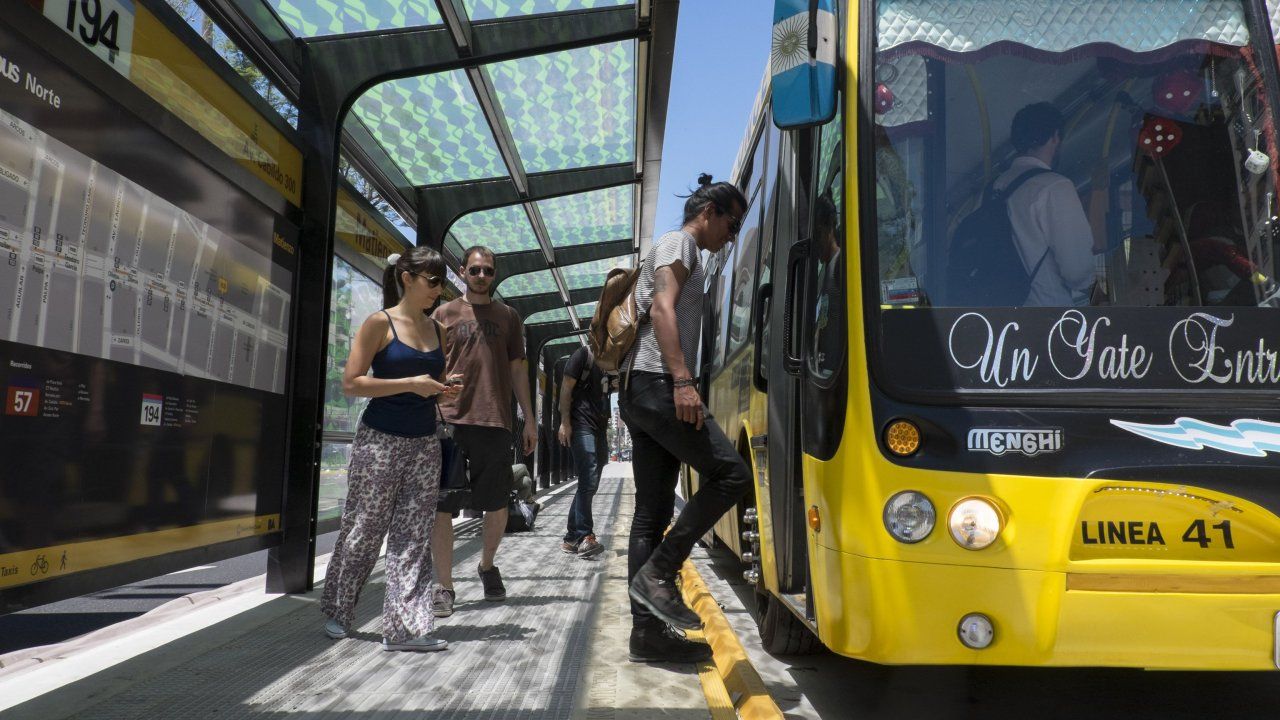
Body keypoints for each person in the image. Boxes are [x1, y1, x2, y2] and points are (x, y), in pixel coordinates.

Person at [619, 173, 752, 663]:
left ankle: (646, 637)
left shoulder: (684, 247)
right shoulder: (681, 242)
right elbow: (661, 309)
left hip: (641, 390)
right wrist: (682, 381)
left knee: (650, 516)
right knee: (731, 473)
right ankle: (659, 572)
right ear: (709, 213)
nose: (732, 236)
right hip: (657, 385)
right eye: (732, 224)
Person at [320, 247, 459, 652]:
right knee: (363, 529)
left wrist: (445, 387)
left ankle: (405, 629)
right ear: (407, 278)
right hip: (379, 441)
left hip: (424, 444)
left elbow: (432, 382)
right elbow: (352, 383)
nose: (438, 290)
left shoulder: (439, 330)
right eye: (432, 281)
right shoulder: (378, 324)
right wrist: (411, 383)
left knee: (413, 537)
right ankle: (339, 609)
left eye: (441, 283)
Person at [430, 245, 537, 616]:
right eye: (474, 270)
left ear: (494, 275)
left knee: (496, 504)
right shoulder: (443, 313)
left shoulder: (508, 316)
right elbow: (430, 367)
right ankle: (444, 586)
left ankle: (487, 565)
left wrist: (530, 417)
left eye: (487, 271)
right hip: (449, 420)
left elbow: (519, 369)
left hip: (495, 421)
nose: (480, 277)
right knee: (441, 506)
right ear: (462, 271)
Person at [996, 102, 1097, 306]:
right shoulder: (1055, 186)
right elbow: (1076, 270)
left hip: (1001, 315)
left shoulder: (995, 187)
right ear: (1055, 137)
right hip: (1047, 316)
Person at [557, 344, 609, 559]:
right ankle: (584, 536)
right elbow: (565, 389)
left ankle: (571, 538)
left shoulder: (612, 360)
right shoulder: (583, 355)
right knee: (588, 479)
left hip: (599, 429)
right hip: (580, 425)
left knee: (591, 482)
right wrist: (565, 423)